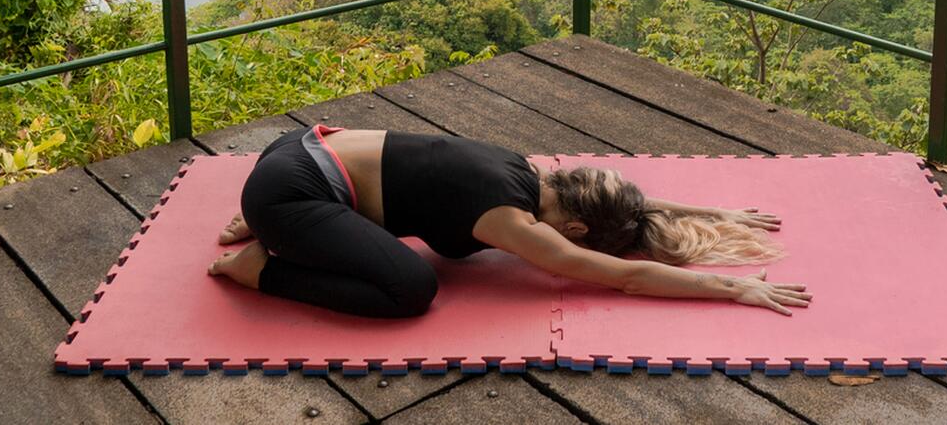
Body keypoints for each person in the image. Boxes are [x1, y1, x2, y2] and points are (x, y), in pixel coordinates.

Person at [207, 125, 809, 318]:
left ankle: (264, 218)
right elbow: (623, 279)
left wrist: (713, 214)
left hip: (300, 143)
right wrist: (736, 289)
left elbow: (628, 200)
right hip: (290, 191)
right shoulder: (511, 221)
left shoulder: (523, 170)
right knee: (411, 291)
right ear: (574, 231)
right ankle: (260, 265)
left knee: (391, 221)